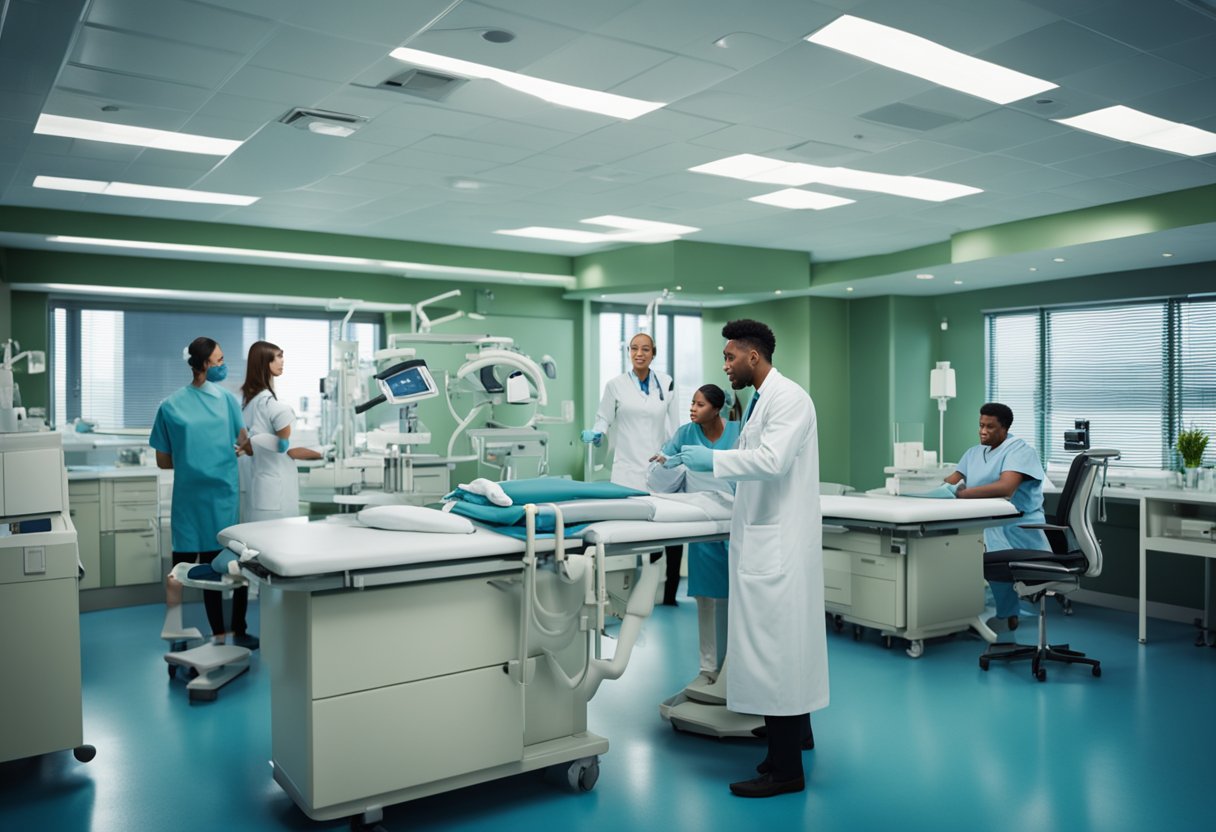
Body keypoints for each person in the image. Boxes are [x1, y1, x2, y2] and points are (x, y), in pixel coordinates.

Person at [663, 318, 827, 798]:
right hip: (764, 539)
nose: (725, 366)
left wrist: (712, 460)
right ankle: (788, 744)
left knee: (776, 652)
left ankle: (786, 771)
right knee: (779, 650)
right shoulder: (760, 400)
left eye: (730, 357)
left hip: (779, 546)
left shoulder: (789, 398)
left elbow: (772, 461)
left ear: (753, 356)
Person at [150, 337, 257, 650]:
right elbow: (245, 443)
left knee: (179, 569)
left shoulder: (169, 405)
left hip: (188, 499)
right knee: (219, 566)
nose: (224, 365)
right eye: (219, 360)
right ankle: (224, 636)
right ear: (205, 364)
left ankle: (174, 632)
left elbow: (163, 461)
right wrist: (232, 452)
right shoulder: (227, 401)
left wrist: (191, 460)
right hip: (221, 497)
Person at [648, 384, 741, 683]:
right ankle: (707, 667)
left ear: (717, 409)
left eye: (700, 404)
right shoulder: (685, 433)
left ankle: (732, 665)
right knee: (705, 598)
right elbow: (660, 475)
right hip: (702, 522)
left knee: (733, 599)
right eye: (692, 403)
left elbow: (749, 474)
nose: (692, 409)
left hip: (734, 522)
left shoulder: (738, 432)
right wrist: (666, 464)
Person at [582, 331, 683, 603]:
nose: (639, 353)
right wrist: (597, 433)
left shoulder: (667, 383)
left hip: (659, 467)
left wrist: (674, 456)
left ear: (653, 353)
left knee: (663, 530)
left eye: (645, 349)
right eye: (634, 348)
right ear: (629, 352)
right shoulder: (615, 385)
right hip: (627, 469)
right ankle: (624, 593)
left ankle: (663, 593)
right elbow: (603, 418)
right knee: (631, 534)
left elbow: (674, 426)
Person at [944, 402, 1049, 633]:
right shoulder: (973, 453)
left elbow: (1006, 488)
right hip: (982, 522)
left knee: (991, 552)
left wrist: (963, 494)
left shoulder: (1020, 451)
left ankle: (1007, 613)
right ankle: (957, 611)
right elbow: (950, 482)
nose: (983, 431)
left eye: (989, 427)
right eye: (980, 425)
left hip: (1018, 526)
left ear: (1005, 428)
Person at [239, 340, 321, 523]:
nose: (282, 361)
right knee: (277, 536)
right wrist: (323, 454)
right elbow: (285, 447)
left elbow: (248, 444)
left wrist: (252, 442)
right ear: (264, 363)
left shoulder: (250, 403)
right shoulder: (271, 405)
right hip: (274, 492)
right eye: (277, 357)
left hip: (261, 486)